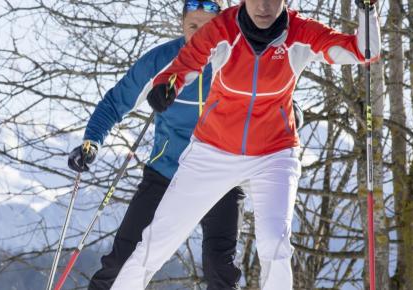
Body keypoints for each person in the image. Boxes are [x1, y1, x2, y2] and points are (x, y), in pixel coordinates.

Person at [107, 0, 379, 288]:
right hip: (212, 151)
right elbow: (187, 62)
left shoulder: (300, 33)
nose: (263, 6)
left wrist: (367, 10)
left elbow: (364, 51)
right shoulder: (223, 28)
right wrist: (168, 84)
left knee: (276, 244)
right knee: (157, 241)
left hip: (274, 154)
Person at [67, 1, 303, 288]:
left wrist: (292, 114)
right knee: (123, 260)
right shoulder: (163, 61)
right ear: (182, 25)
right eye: (193, 26)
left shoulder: (240, 54)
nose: (200, 35)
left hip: (224, 175)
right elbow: (116, 102)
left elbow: (275, 97)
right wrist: (91, 141)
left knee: (220, 267)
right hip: (167, 173)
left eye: (208, 27)